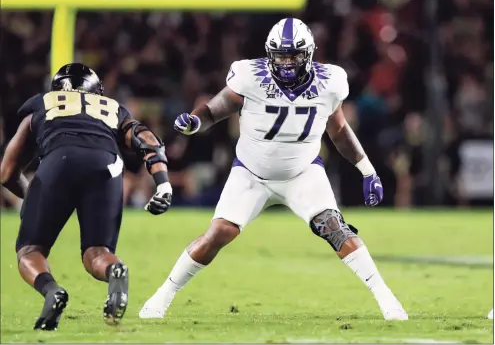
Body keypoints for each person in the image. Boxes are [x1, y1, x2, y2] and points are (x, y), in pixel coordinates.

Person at [139, 18, 407, 321]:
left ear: (308, 54)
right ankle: (161, 297)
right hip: (250, 174)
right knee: (219, 233)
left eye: (293, 55)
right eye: (281, 55)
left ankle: (388, 301)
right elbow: (217, 107)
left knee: (335, 228)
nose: (287, 62)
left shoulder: (330, 82)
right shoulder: (250, 76)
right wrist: (196, 121)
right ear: (270, 54)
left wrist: (367, 169)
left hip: (303, 173)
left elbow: (339, 130)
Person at [0, 63, 173, 330]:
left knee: (30, 251)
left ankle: (52, 291)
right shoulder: (112, 106)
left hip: (59, 159)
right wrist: (163, 184)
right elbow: (146, 139)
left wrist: (31, 199)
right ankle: (115, 271)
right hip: (108, 165)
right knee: (97, 252)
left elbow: (7, 172)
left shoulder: (42, 103)